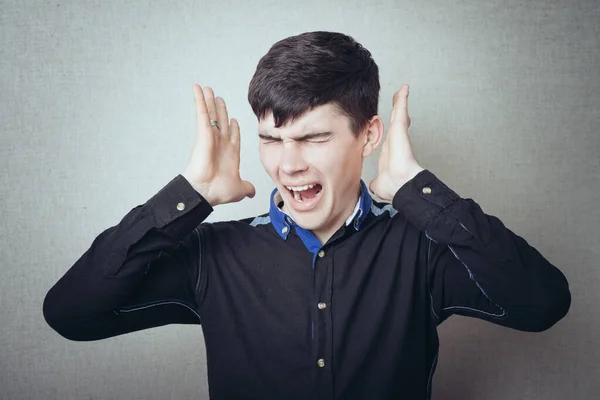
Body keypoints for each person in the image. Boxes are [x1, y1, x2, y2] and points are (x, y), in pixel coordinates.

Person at [43, 31, 571, 400]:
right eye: (271, 140)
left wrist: (416, 191)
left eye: (313, 137)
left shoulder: (424, 249)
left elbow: (542, 303)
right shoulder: (211, 254)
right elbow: (70, 313)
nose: (287, 164)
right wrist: (191, 195)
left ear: (367, 135)